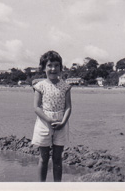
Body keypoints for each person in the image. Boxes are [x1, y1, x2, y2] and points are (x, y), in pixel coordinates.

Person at [31, 50, 72, 182]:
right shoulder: (40, 86)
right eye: (49, 65)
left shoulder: (65, 87)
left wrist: (63, 122)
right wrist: (48, 120)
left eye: (56, 65)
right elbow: (36, 107)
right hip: (44, 123)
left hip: (61, 124)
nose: (53, 68)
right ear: (44, 68)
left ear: (61, 67)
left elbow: (68, 107)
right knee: (43, 158)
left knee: (57, 158)